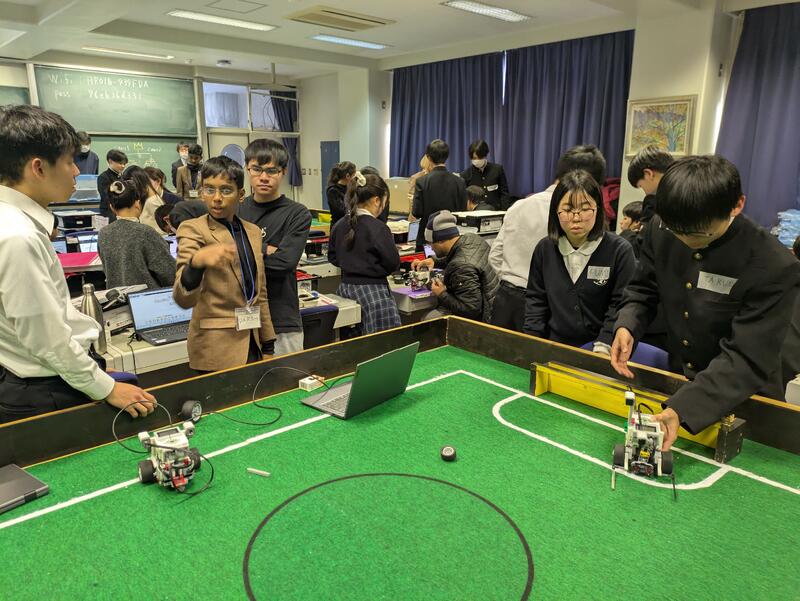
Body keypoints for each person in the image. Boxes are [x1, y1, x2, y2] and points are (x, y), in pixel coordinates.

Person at [610, 155, 800, 450]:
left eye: (697, 233)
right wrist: (628, 323)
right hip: (680, 384)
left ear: (737, 205)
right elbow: (644, 287)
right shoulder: (662, 228)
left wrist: (683, 407)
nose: (684, 240)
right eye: (676, 231)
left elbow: (747, 356)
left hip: (745, 400)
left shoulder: (773, 265)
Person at [0, 105, 155, 422]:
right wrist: (105, 387)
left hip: (43, 378)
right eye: (69, 161)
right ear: (38, 168)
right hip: (45, 391)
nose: (75, 172)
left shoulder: (13, 224)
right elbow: (45, 338)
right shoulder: (18, 236)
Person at [173, 156, 276, 372]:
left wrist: (268, 344)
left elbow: (261, 293)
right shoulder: (192, 229)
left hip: (253, 342)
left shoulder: (253, 232)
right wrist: (196, 264)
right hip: (215, 348)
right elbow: (183, 298)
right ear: (202, 192)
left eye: (226, 190)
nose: (217, 198)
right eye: (209, 190)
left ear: (241, 195)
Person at [489, 144, 607, 332]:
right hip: (546, 306)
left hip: (506, 300)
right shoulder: (577, 217)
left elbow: (495, 255)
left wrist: (512, 279)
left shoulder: (519, 205)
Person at [523, 170, 636, 351]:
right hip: (554, 345)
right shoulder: (545, 249)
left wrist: (603, 344)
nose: (576, 218)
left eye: (584, 209)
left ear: (598, 209)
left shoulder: (619, 250)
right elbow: (536, 300)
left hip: (601, 347)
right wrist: (532, 341)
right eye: (568, 210)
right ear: (556, 212)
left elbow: (620, 304)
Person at [238, 139, 311, 356]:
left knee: (287, 376)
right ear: (247, 168)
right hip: (241, 320)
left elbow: (285, 263)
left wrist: (244, 252)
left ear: (283, 171)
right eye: (257, 169)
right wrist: (266, 248)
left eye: (272, 171)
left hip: (282, 320)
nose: (264, 177)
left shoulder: (297, 213)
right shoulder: (236, 211)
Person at [328, 172, 401, 335]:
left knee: (352, 343)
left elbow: (332, 256)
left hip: (345, 290)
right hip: (374, 294)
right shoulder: (378, 228)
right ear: (377, 200)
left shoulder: (339, 225)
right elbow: (393, 263)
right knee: (380, 343)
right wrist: (374, 270)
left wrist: (351, 264)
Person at [411, 210, 498, 322]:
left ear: (441, 240)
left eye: (431, 243)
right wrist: (435, 261)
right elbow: (459, 255)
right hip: (494, 307)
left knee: (428, 320)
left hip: (482, 321)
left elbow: (471, 310)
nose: (431, 247)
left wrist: (442, 294)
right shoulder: (471, 238)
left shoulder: (461, 266)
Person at [98, 178, 176, 290]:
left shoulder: (103, 233)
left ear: (112, 207)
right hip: (148, 297)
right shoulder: (146, 233)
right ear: (137, 203)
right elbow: (170, 274)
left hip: (115, 298)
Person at [411, 139, 467, 252]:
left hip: (428, 238)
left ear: (428, 157)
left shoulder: (422, 181)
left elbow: (417, 212)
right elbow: (463, 211)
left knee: (427, 263)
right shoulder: (459, 182)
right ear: (447, 156)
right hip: (451, 237)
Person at [459, 139, 510, 209]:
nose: (477, 160)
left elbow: (504, 193)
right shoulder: (466, 174)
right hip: (477, 213)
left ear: (485, 155)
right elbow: (466, 199)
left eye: (480, 157)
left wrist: (504, 211)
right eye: (474, 158)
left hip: (496, 211)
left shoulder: (497, 170)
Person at [139, 166, 179, 232]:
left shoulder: (174, 200)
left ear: (158, 181)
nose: (143, 186)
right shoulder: (142, 200)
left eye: (147, 183)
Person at [97, 149, 128, 221]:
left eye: (124, 164)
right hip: (109, 213)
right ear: (110, 161)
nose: (123, 166)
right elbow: (107, 197)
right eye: (120, 163)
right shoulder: (103, 177)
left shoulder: (123, 177)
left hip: (122, 212)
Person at [325, 161, 355, 226]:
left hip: (349, 224)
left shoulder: (349, 188)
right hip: (338, 225)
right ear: (348, 176)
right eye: (354, 175)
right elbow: (342, 211)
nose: (354, 178)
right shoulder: (333, 190)